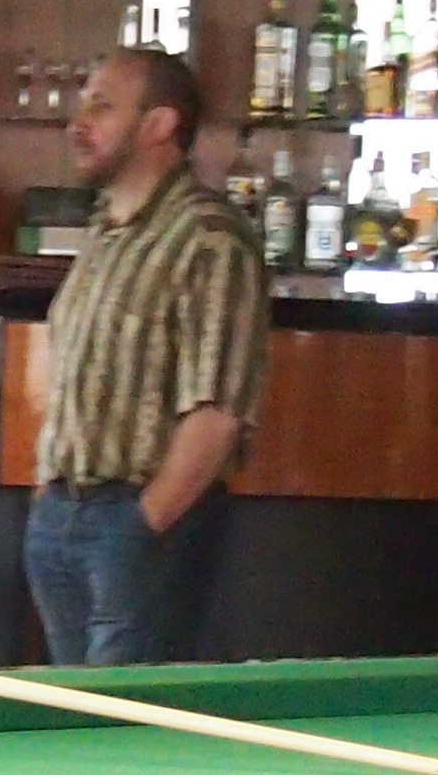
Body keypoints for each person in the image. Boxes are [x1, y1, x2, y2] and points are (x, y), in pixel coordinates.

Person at [25, 48, 268, 665]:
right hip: (63, 513)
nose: (79, 123)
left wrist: (143, 525)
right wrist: (47, 491)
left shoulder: (209, 237)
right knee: (71, 714)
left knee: (124, 714)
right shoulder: (104, 229)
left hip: (139, 519)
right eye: (83, 105)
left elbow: (218, 411)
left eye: (102, 107)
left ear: (160, 124)